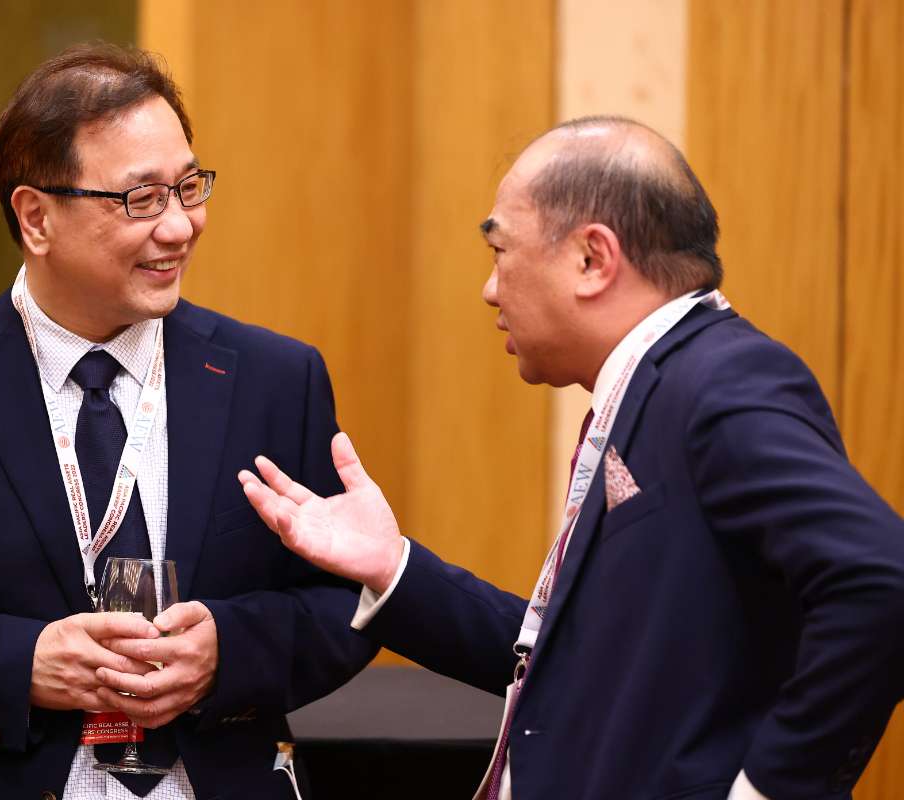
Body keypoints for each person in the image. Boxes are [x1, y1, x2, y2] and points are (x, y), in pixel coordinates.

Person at [0, 43, 376, 800]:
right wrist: (17, 667)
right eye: (141, 198)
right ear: (36, 218)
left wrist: (229, 651)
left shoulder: (275, 380)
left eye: (189, 188)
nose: (180, 227)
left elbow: (352, 605)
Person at [239, 117, 904, 800]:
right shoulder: (659, 385)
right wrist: (392, 567)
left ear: (592, 259)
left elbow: (882, 581)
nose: (489, 289)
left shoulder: (722, 380)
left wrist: (768, 791)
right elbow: (578, 665)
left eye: (500, 250)